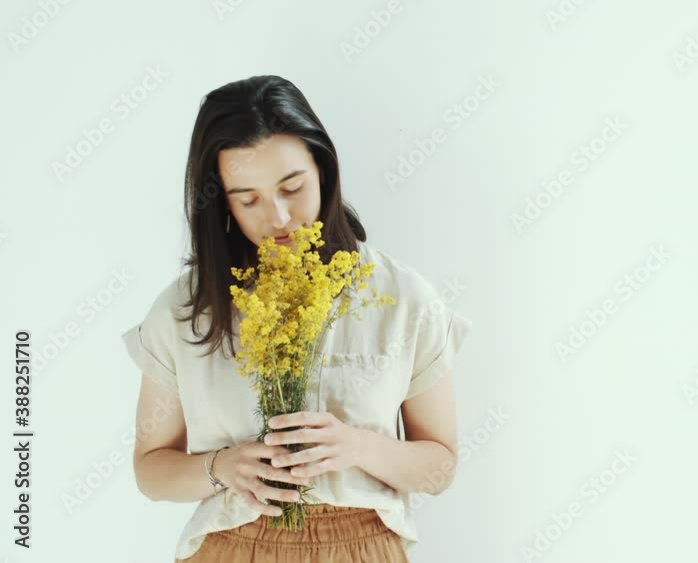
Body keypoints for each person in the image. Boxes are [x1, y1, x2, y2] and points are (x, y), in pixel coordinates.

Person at [122, 75, 472, 562]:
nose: (279, 217)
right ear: (221, 201)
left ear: (323, 171)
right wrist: (222, 467)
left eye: (293, 187)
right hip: (229, 547)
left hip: (365, 547)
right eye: (248, 199)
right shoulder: (187, 309)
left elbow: (440, 468)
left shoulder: (402, 297)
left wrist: (354, 447)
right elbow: (150, 469)